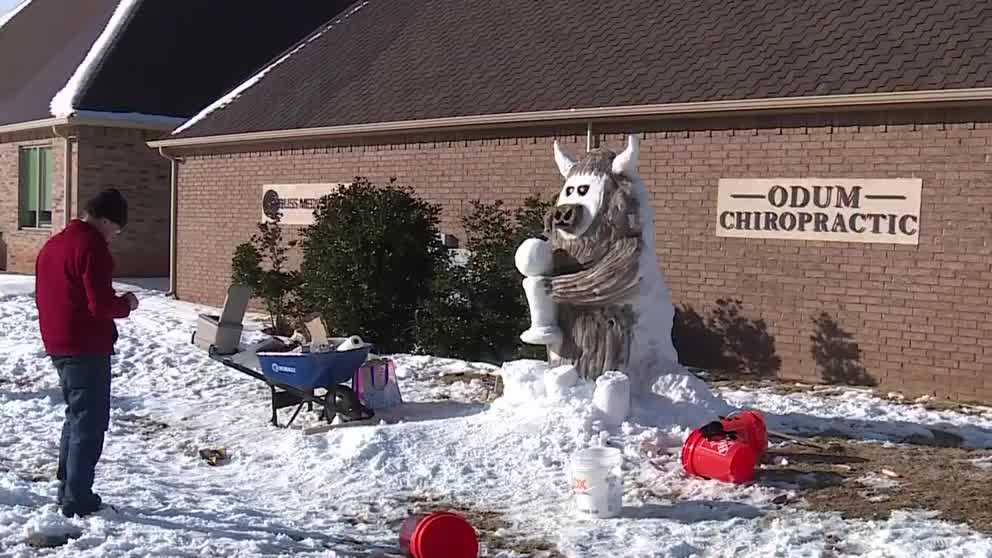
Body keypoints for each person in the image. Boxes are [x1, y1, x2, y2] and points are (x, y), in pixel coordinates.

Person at [35, 188, 139, 518]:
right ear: (105, 219)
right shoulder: (92, 247)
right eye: (116, 229)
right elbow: (100, 304)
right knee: (90, 422)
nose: (114, 235)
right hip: (85, 346)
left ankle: (67, 486)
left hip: (57, 341)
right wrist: (127, 304)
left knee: (76, 415)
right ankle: (77, 498)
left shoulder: (53, 245)